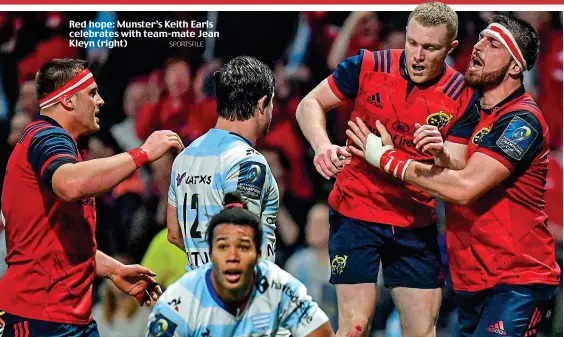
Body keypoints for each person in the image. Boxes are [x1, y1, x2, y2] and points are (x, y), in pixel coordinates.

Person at [346, 14, 561, 337]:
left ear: (515, 67)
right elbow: (445, 172)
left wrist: (388, 159)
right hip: (472, 280)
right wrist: (416, 153)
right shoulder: (469, 112)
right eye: (482, 38)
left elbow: (464, 187)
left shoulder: (522, 121)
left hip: (519, 281)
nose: (480, 46)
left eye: (494, 43)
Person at [295, 3, 479, 337]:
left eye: (430, 47)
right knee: (354, 326)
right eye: (412, 43)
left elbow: (457, 169)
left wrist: (439, 153)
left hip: (414, 222)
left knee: (422, 331)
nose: (418, 55)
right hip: (355, 211)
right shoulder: (368, 65)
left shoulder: (463, 96)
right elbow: (309, 104)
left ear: (450, 48)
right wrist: (322, 145)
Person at [0, 58, 184, 336]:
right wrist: (142, 153)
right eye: (91, 93)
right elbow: (71, 185)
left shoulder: (59, 150)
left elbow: (58, 244)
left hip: (64, 315)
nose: (100, 101)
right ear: (68, 101)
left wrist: (113, 269)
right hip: (39, 316)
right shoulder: (46, 137)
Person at [147, 192, 334, 337]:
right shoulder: (179, 301)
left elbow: (321, 332)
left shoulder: (279, 286)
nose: (233, 256)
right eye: (223, 246)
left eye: (243, 247)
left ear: (258, 255)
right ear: (210, 253)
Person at [167, 56, 278, 269]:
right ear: (262, 104)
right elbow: (242, 238)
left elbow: (173, 233)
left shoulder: (185, 156)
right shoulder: (247, 161)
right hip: (238, 294)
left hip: (197, 290)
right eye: (271, 103)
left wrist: (204, 264)